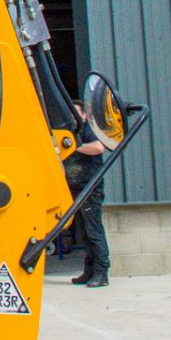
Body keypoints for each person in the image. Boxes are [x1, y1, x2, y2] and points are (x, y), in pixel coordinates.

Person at [67, 101, 109, 287]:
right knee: (83, 232)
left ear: (83, 115)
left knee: (94, 231)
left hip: (90, 188)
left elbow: (99, 147)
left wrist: (74, 147)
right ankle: (89, 270)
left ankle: (101, 273)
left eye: (76, 113)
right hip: (75, 188)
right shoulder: (69, 133)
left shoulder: (88, 130)